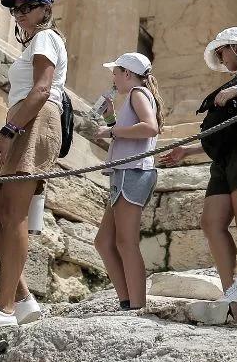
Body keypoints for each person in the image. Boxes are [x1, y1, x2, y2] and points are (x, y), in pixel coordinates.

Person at [0, 0, 67, 327]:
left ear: (44, 10)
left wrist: (8, 132)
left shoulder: (45, 39)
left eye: (27, 7)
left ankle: (4, 308)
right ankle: (22, 299)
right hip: (26, 121)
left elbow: (41, 89)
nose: (20, 13)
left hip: (33, 122)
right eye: (15, 9)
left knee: (14, 214)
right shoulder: (37, 41)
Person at [159, 28, 237, 301]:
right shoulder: (236, 79)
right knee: (211, 221)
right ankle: (231, 289)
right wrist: (188, 151)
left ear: (236, 47)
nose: (221, 59)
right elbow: (222, 131)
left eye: (221, 52)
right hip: (223, 156)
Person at [93, 52, 161, 310]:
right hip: (125, 173)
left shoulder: (137, 94)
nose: (113, 77)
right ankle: (126, 301)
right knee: (104, 241)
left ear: (128, 74)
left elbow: (150, 127)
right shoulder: (135, 97)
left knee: (125, 242)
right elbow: (132, 136)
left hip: (132, 173)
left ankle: (136, 306)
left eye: (116, 72)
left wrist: (110, 130)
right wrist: (111, 119)